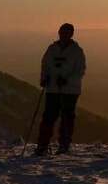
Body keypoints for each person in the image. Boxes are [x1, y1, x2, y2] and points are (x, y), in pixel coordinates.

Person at [35, 23, 86, 156]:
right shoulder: (52, 49)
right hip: (53, 88)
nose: (63, 35)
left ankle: (63, 145)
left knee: (66, 117)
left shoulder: (76, 51)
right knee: (49, 117)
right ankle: (43, 145)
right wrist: (44, 77)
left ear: (71, 34)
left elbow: (80, 70)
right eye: (62, 32)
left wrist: (66, 80)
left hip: (69, 90)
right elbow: (45, 64)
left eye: (66, 32)